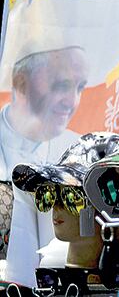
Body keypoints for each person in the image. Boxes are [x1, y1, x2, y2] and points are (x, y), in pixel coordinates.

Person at [1, 44, 86, 286]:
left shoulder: (77, 148)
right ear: (21, 83)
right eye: (61, 85)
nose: (73, 101)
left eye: (80, 87)